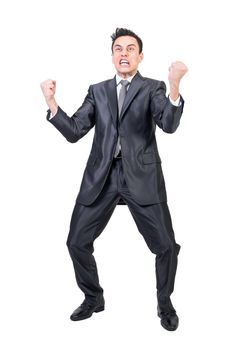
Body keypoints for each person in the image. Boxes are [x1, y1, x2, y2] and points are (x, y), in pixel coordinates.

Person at [40, 28, 188, 331]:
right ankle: (93, 297)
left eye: (130, 49)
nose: (124, 53)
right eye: (118, 49)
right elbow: (74, 131)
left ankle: (165, 304)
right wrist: (52, 102)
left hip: (142, 177)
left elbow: (169, 125)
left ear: (140, 56)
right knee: (76, 241)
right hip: (101, 178)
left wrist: (174, 86)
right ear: (112, 57)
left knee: (166, 247)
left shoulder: (153, 88)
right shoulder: (98, 91)